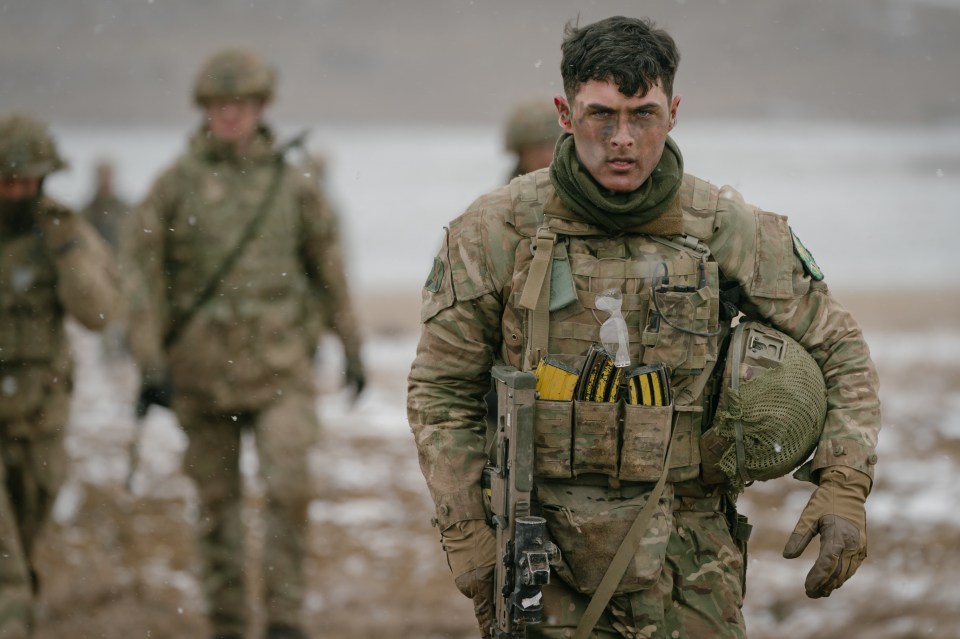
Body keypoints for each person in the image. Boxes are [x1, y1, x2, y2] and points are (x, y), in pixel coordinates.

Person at [407, 16, 880, 639]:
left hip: (692, 562)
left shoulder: (725, 228)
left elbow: (839, 350)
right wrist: (470, 536)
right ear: (564, 111)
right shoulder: (496, 231)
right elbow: (441, 393)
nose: (621, 138)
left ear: (675, 111)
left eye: (643, 114)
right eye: (601, 114)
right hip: (542, 560)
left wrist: (843, 482)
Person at [120, 48, 366, 639]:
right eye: (220, 106)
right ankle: (228, 622)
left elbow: (328, 268)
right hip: (200, 374)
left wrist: (352, 345)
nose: (231, 116)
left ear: (261, 108)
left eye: (242, 105)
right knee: (217, 507)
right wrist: (149, 360)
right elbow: (139, 278)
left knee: (289, 490)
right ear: (205, 111)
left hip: (281, 368)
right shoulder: (174, 187)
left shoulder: (293, 184)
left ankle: (284, 619)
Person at [0, 113, 121, 638]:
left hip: (38, 417)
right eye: (6, 180)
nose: (15, 191)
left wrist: (67, 251)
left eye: (25, 180)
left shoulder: (63, 231)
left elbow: (97, 313)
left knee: (22, 553)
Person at [502, 96, 563, 181]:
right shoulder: (508, 193)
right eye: (538, 148)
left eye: (553, 146)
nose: (547, 156)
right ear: (521, 154)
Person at [80, 159, 129, 252]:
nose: (105, 181)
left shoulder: (125, 210)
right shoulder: (86, 213)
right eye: (102, 176)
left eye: (108, 176)